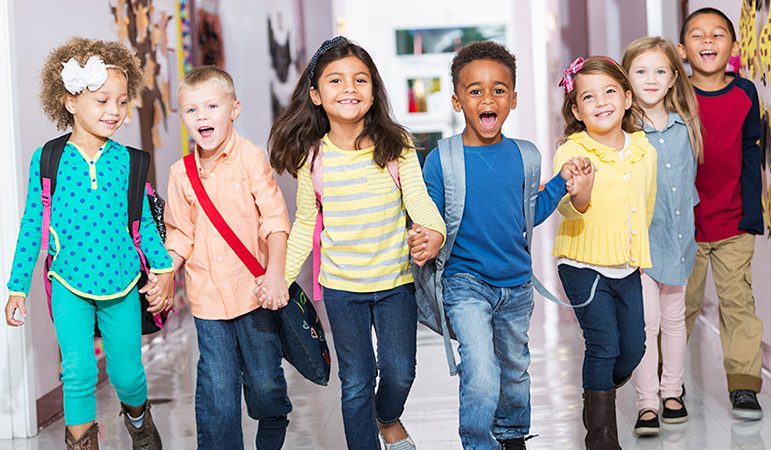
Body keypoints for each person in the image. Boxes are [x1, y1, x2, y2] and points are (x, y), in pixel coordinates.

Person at [268, 36, 446, 450]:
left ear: (373, 89)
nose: (349, 88)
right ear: (315, 94)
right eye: (335, 80)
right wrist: (279, 275)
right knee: (356, 381)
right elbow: (304, 225)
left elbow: (418, 199)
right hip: (342, 288)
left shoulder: (394, 145)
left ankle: (388, 417)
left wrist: (433, 233)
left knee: (400, 371)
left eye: (360, 79)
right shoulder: (312, 157)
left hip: (395, 282)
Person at [419, 41, 592, 450]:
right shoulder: (441, 160)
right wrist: (421, 235)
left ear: (513, 99)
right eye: (474, 90)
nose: (487, 98)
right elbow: (427, 215)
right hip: (465, 283)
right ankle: (479, 442)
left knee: (515, 368)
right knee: (480, 368)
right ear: (457, 100)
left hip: (516, 286)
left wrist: (562, 184)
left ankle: (512, 435)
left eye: (499, 89)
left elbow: (529, 211)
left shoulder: (526, 156)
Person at [4, 37, 174, 450]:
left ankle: (141, 426)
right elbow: (32, 224)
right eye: (101, 101)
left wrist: (165, 269)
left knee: (128, 373)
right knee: (78, 372)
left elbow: (143, 225)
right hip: (68, 283)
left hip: (121, 282)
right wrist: (16, 286)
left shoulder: (130, 161)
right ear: (69, 101)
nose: (114, 111)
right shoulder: (48, 159)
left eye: (120, 101)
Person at [163, 65, 292, 450]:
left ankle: (272, 421)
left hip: (254, 293)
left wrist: (275, 274)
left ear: (234, 109)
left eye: (212, 106)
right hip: (207, 298)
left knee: (265, 381)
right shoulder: (180, 173)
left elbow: (275, 220)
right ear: (183, 117)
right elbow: (180, 233)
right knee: (218, 386)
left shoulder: (251, 158)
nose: (202, 116)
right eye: (191, 110)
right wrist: (167, 274)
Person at [553, 55, 657, 450]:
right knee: (603, 344)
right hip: (582, 263)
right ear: (577, 110)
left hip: (626, 264)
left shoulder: (644, 150)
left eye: (610, 91)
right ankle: (601, 438)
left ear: (628, 98)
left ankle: (595, 390)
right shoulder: (573, 151)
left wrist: (637, 251)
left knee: (633, 346)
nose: (601, 102)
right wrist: (578, 196)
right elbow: (564, 207)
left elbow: (645, 204)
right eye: (589, 97)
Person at [678, 7, 765, 420]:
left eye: (717, 34)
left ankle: (744, 385)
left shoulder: (745, 92)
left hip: (734, 222)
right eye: (697, 35)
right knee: (682, 307)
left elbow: (752, 155)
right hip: (685, 228)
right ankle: (668, 383)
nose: (708, 41)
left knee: (738, 304)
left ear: (733, 46)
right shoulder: (676, 96)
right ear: (681, 49)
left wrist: (752, 213)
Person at [622, 36, 704, 436]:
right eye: (640, 71)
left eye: (659, 71)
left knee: (674, 321)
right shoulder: (624, 131)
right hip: (639, 244)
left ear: (674, 77)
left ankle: (673, 392)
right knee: (646, 324)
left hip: (678, 239)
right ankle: (646, 403)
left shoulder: (685, 124)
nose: (650, 79)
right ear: (626, 78)